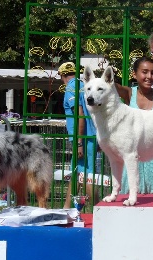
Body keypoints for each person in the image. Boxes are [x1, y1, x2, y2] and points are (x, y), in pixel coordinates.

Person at [115, 56, 153, 194]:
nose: (149, 76)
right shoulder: (129, 93)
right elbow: (114, 87)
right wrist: (108, 74)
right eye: (144, 72)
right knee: (131, 202)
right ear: (134, 74)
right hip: (132, 156)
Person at [59, 62, 98, 208]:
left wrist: (79, 142)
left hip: (82, 138)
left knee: (86, 177)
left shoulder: (71, 88)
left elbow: (79, 116)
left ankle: (97, 209)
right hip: (91, 136)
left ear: (62, 75)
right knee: (77, 175)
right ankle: (69, 209)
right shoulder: (84, 85)